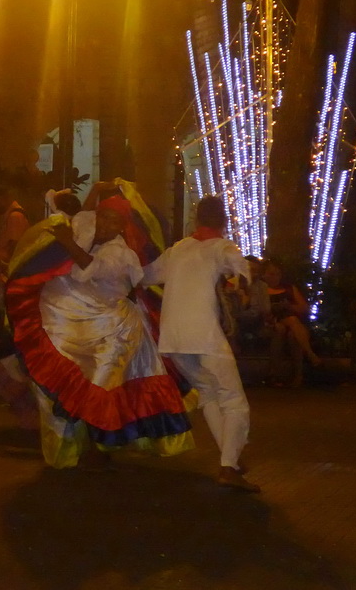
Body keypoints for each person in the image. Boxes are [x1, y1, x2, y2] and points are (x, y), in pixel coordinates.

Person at [7, 196, 194, 468]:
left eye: (114, 220)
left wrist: (67, 242)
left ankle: (101, 444)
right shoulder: (88, 233)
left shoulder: (121, 253)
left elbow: (90, 268)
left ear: (122, 226)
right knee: (75, 383)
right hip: (83, 320)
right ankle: (79, 445)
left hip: (115, 329)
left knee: (100, 386)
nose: (106, 224)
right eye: (103, 216)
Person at [143, 195, 259, 492]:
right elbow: (242, 272)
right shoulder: (223, 247)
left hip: (174, 338)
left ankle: (228, 459)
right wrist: (238, 285)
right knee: (234, 402)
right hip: (204, 335)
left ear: (196, 218)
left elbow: (143, 277)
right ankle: (228, 466)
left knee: (208, 394)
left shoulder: (178, 249)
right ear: (223, 221)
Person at [257, 259, 322, 388]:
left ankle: (298, 375)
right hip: (272, 323)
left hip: (292, 324)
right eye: (271, 274)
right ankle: (310, 354)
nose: (275, 277)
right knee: (286, 324)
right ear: (264, 274)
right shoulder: (261, 290)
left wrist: (289, 306)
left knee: (293, 333)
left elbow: (304, 308)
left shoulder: (289, 289)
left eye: (277, 274)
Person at [0, 185, 29, 278]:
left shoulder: (15, 216)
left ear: (0, 198)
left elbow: (15, 245)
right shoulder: (9, 216)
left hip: (8, 274)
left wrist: (3, 265)